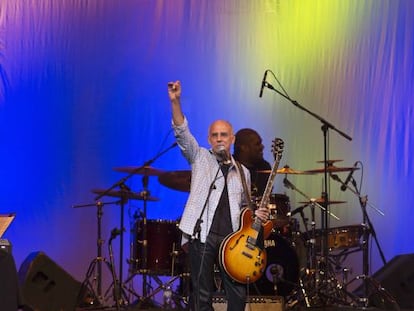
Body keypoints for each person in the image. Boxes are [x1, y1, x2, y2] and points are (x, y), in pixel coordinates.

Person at [167, 80, 270, 311]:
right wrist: (175, 102)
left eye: (224, 135)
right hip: (202, 235)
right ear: (209, 139)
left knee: (237, 294)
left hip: (231, 240)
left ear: (232, 140)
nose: (220, 138)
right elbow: (182, 134)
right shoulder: (200, 158)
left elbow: (245, 209)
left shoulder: (243, 172)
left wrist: (258, 215)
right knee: (202, 295)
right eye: (215, 135)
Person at [233, 128, 271, 198]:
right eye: (257, 144)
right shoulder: (230, 166)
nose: (262, 147)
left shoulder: (265, 167)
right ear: (243, 147)